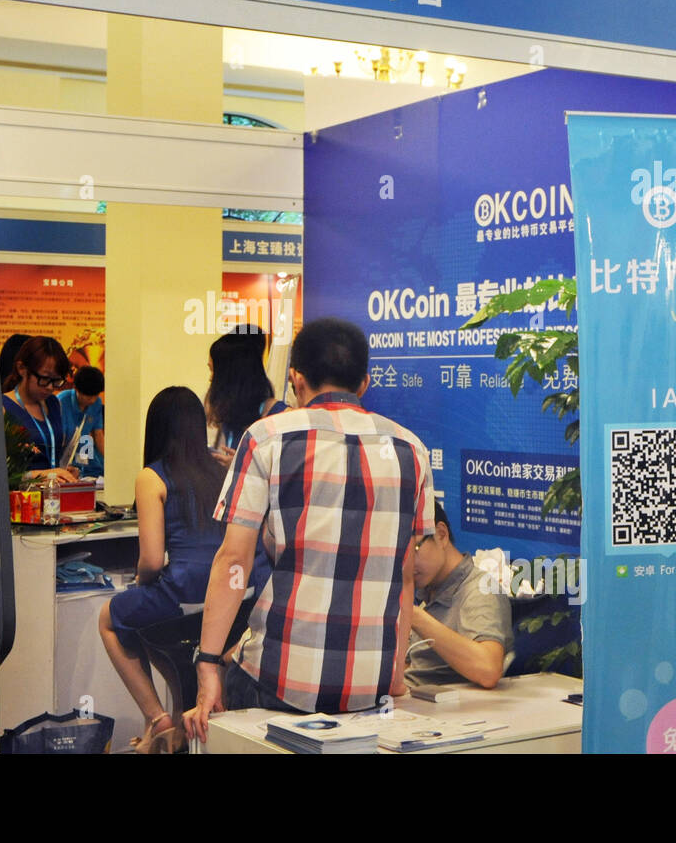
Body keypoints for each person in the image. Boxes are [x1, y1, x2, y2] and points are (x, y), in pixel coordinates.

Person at [183, 318, 434, 741]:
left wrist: (208, 663)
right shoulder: (412, 449)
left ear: (296, 380)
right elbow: (404, 575)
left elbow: (234, 559)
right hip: (369, 686)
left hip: (279, 680)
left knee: (231, 679)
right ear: (365, 383)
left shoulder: (266, 438)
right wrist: (393, 676)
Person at [96, 387, 268, 753]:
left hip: (184, 595)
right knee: (160, 641)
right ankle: (177, 722)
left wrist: (140, 583)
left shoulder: (151, 477)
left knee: (111, 619)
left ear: (155, 427)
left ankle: (157, 716)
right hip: (234, 597)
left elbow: (152, 561)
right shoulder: (222, 470)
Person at [406, 502, 513, 689]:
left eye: (414, 551)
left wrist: (415, 617)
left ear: (441, 535)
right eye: (399, 555)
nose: (406, 564)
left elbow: (488, 670)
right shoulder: (427, 588)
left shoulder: (479, 590)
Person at [205, 326, 287, 465]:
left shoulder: (280, 417)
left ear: (232, 376)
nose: (211, 378)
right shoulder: (227, 413)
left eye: (214, 371)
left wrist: (243, 468)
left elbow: (285, 472)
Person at [2, 335, 77, 483]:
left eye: (56, 381)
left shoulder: (54, 404)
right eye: (44, 378)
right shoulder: (3, 408)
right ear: (22, 369)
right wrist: (41, 475)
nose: (50, 387)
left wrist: (64, 470)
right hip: (22, 499)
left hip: (54, 496)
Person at [55, 365, 104, 478]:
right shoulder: (61, 401)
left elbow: (98, 434)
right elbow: (57, 438)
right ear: (76, 389)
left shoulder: (97, 403)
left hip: (83, 453)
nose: (92, 400)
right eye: (88, 397)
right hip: (63, 456)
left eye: (95, 396)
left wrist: (110, 462)